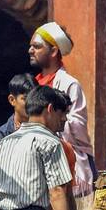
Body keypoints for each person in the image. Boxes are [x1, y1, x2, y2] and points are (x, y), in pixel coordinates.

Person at [27, 22, 96, 195]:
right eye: (31, 46)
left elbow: (77, 124)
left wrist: (52, 122)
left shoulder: (69, 84)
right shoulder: (32, 83)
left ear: (54, 51)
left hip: (63, 161)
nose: (30, 50)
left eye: (36, 46)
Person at [0, 73, 36, 159]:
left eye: (34, 99)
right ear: (12, 100)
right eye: (26, 99)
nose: (31, 103)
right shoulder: (0, 138)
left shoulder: (47, 131)